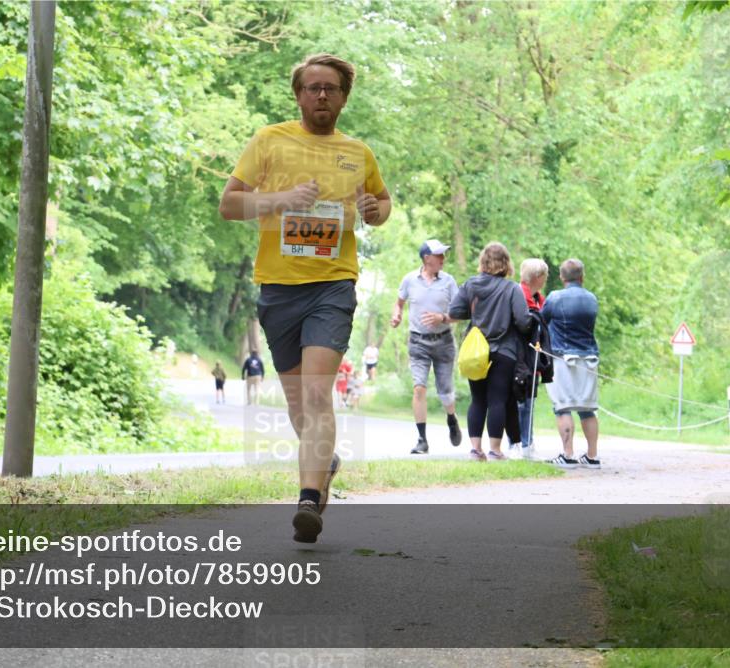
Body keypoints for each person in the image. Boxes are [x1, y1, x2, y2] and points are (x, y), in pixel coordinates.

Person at [219, 53, 392, 543]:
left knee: (318, 393)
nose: (321, 95)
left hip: (333, 284)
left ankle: (308, 501)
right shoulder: (269, 141)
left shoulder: (357, 152)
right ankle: (324, 463)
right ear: (298, 95)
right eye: (312, 87)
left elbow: (382, 203)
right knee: (299, 406)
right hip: (278, 287)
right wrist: (278, 200)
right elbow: (230, 204)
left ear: (343, 97)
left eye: (330, 88)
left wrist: (371, 209)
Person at [448, 242, 532, 462]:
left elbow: (455, 311)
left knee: (478, 400)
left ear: (483, 262)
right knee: (497, 400)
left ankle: (476, 450)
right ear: (506, 263)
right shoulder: (511, 288)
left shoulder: (470, 285)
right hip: (504, 350)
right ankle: (495, 450)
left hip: (476, 351)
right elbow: (523, 322)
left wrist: (476, 312)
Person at [391, 239, 462, 453]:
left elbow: (459, 313)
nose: (443, 259)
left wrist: (442, 317)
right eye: (439, 255)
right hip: (417, 341)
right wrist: (397, 315)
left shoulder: (448, 281)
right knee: (419, 387)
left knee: (445, 392)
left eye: (443, 255)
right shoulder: (409, 280)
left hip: (443, 341)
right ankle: (422, 440)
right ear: (427, 259)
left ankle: (451, 418)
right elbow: (399, 302)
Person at [541, 259, 601, 469]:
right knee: (588, 408)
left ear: (562, 277)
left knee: (563, 406)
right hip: (589, 359)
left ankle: (568, 454)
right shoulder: (592, 299)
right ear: (582, 277)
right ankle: (592, 456)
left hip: (562, 359)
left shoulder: (555, 298)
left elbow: (542, 321)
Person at [510, 258, 549, 459]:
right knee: (519, 402)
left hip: (534, 358)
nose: (545, 280)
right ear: (537, 277)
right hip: (519, 356)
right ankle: (516, 443)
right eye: (544, 276)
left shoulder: (540, 300)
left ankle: (528, 443)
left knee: (529, 403)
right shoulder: (518, 294)